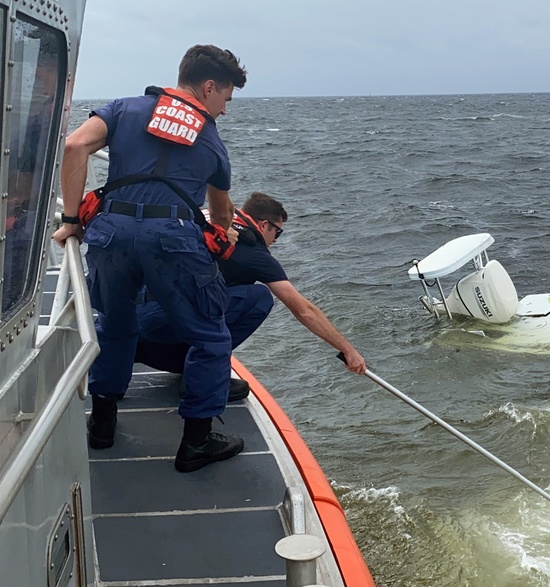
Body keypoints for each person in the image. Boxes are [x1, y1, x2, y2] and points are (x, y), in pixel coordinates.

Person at [53, 44, 247, 473]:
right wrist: (223, 231)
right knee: (211, 338)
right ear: (209, 86)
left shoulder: (124, 108)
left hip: (111, 235)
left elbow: (74, 146)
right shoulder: (211, 140)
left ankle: (102, 426)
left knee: (117, 326)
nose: (225, 111)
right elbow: (220, 213)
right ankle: (196, 442)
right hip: (173, 242)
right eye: (226, 99)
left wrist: (70, 218)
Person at [133, 192, 366, 382]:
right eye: (278, 232)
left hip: (134, 314)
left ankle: (150, 351)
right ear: (264, 225)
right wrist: (348, 350)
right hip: (161, 322)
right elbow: (303, 309)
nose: (276, 240)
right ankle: (203, 373)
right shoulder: (254, 253)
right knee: (259, 296)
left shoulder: (206, 217)